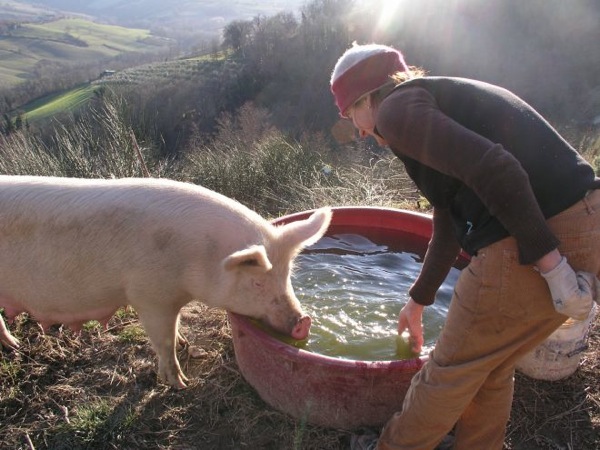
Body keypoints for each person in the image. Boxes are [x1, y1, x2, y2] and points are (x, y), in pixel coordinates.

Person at [329, 42, 600, 450]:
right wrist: (418, 301)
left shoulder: (397, 111)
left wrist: (554, 268)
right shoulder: (435, 101)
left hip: (541, 234)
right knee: (490, 365)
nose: (361, 132)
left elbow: (497, 168)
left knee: (448, 371)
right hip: (588, 220)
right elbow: (448, 218)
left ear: (369, 97)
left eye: (352, 115)